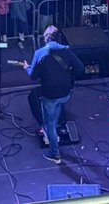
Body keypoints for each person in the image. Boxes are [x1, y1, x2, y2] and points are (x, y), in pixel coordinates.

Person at [20, 26, 85, 166]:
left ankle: (55, 154)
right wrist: (68, 75)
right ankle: (56, 129)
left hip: (49, 93)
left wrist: (27, 67)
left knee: (49, 123)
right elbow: (80, 68)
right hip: (65, 91)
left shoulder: (40, 53)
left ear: (45, 39)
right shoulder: (67, 50)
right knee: (58, 109)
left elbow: (33, 76)